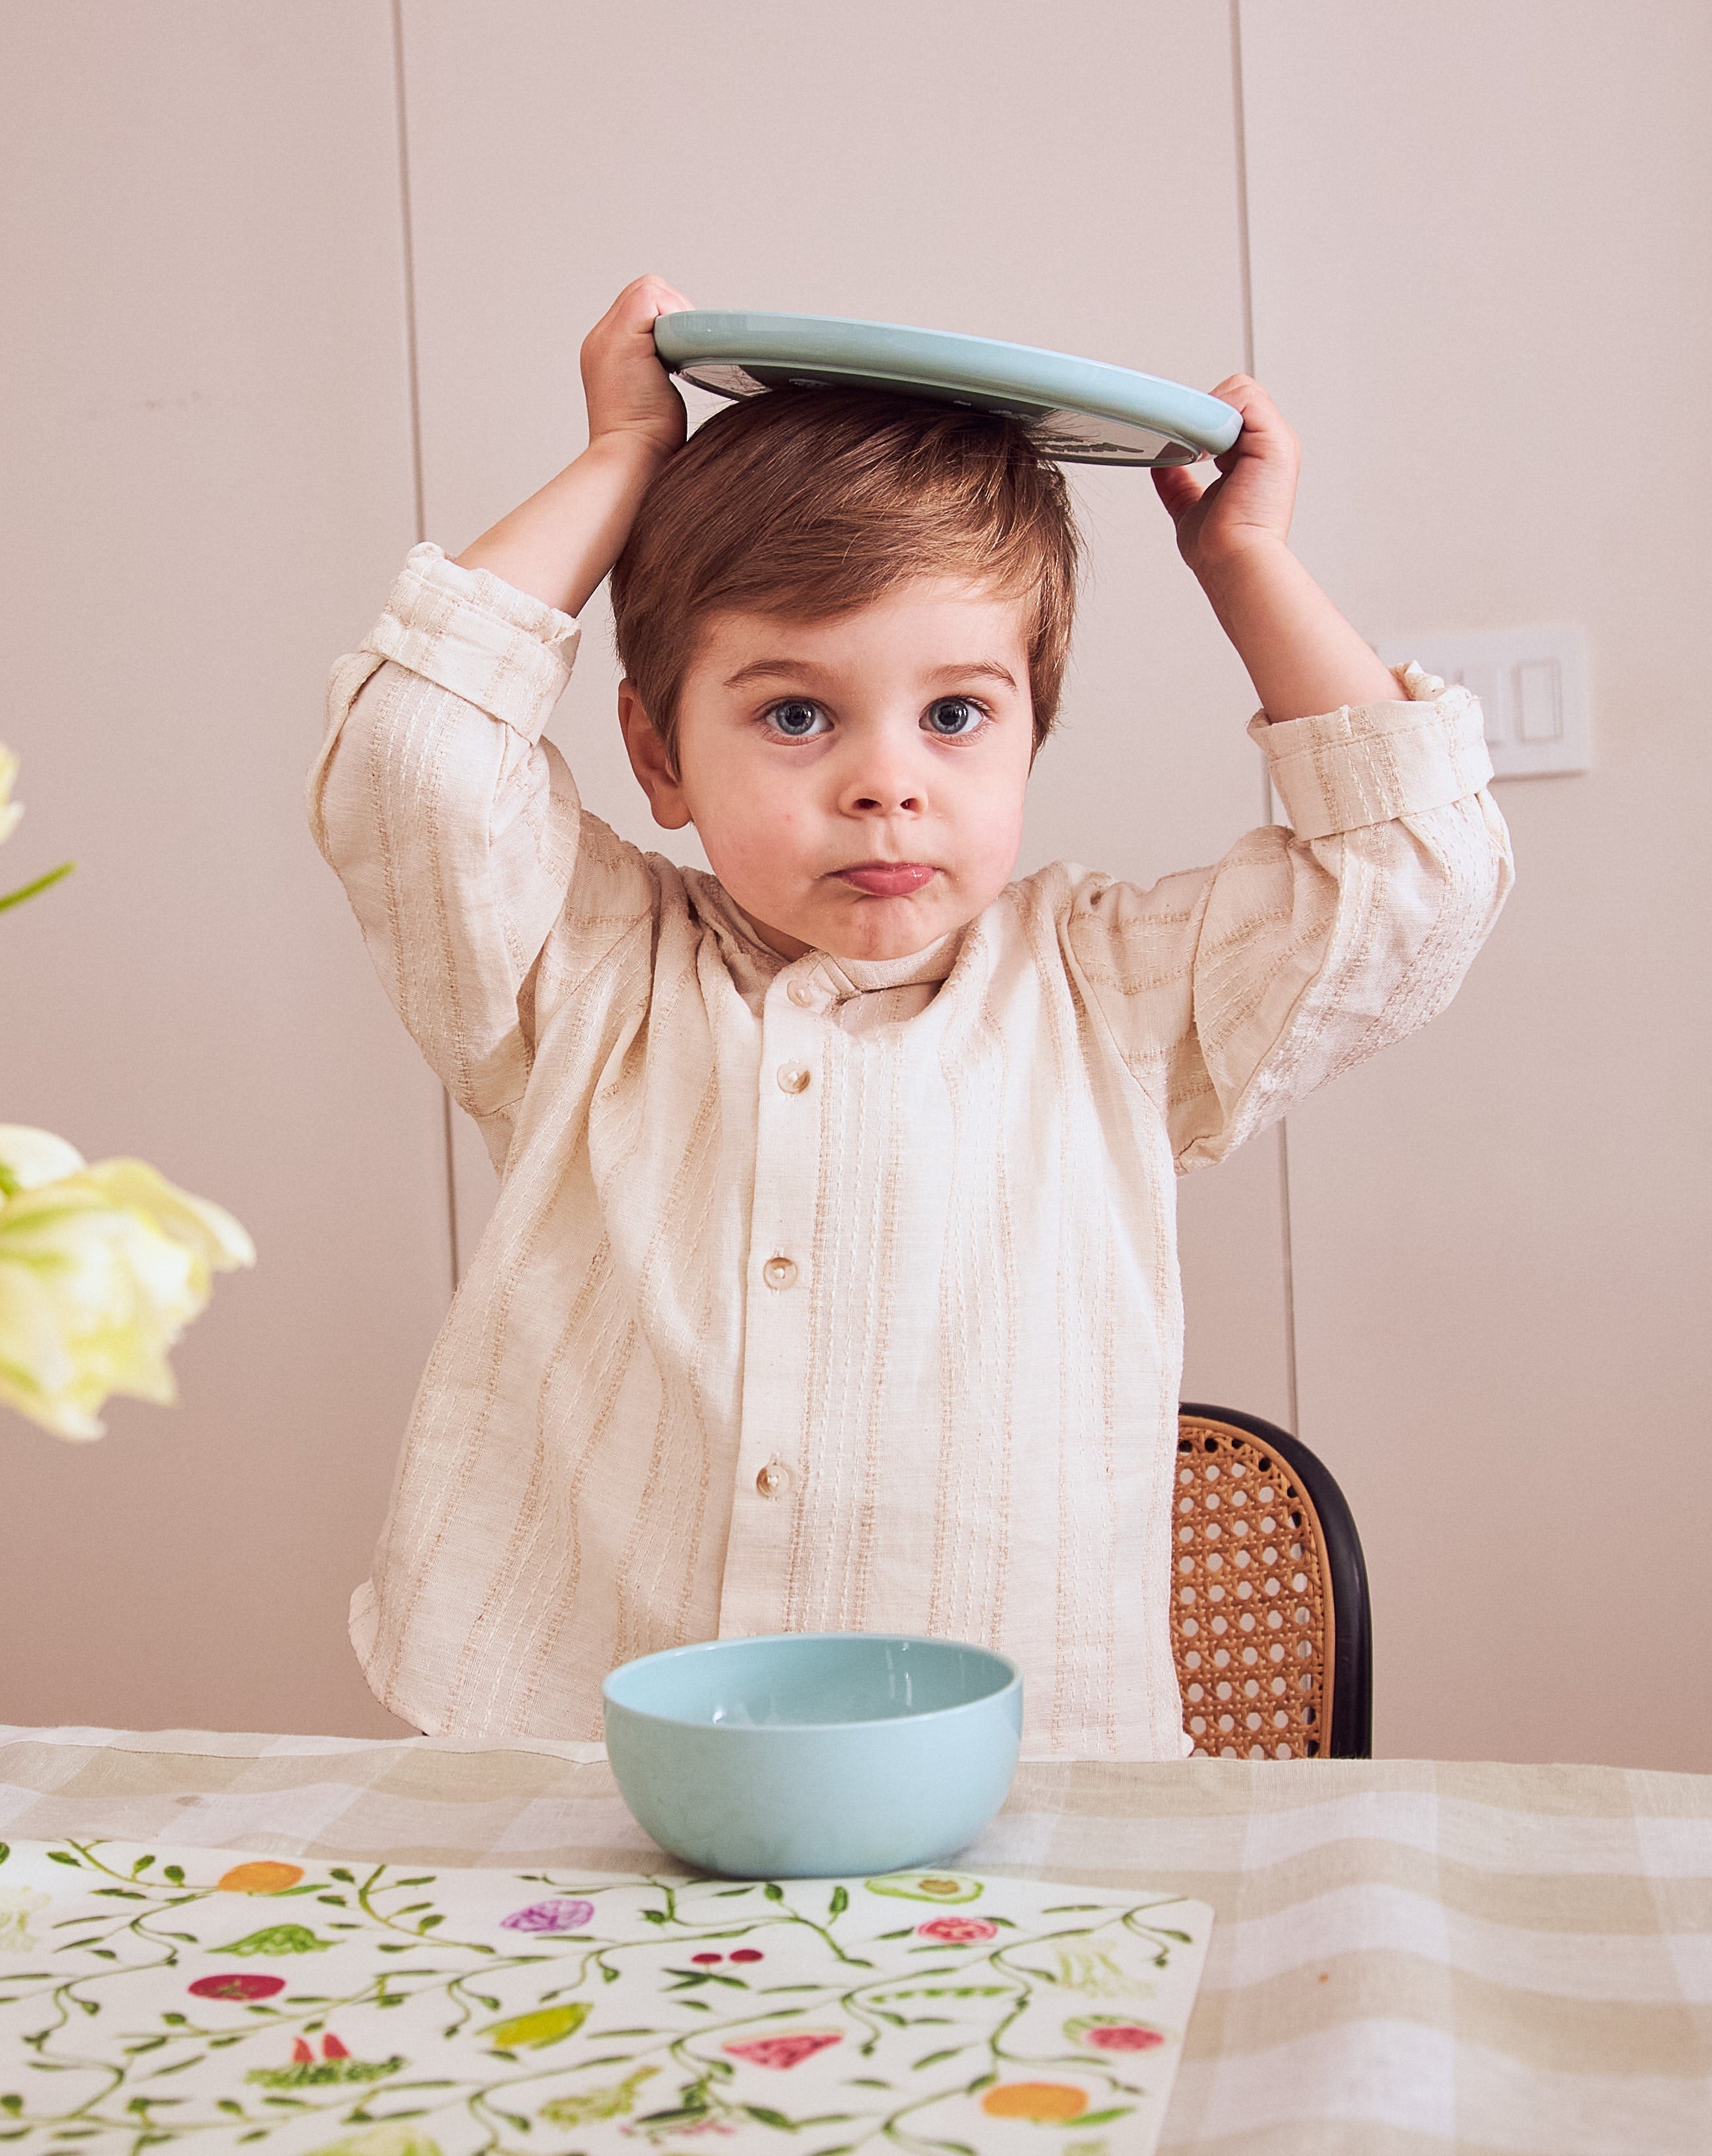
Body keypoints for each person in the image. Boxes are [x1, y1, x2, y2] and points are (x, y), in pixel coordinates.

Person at [310, 276, 1510, 1755]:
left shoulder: (1110, 996)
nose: (888, 781)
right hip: (585, 1756)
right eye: (796, 714)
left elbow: (1414, 876)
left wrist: (1246, 564)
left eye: (954, 715)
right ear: (658, 751)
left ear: (1028, 734)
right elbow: (414, 752)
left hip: (1012, 1779)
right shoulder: (586, 970)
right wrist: (625, 450)